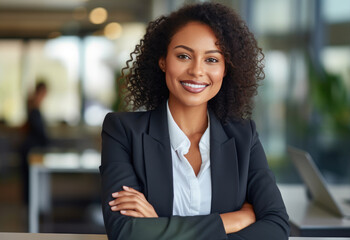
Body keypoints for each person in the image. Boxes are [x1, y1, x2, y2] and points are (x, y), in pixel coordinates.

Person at [100, 3, 290, 240]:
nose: (197, 71)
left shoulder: (244, 137)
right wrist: (233, 220)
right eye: (183, 56)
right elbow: (124, 232)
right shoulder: (123, 131)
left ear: (225, 69)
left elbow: (276, 227)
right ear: (163, 61)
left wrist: (159, 226)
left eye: (212, 59)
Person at [20, 82, 49, 204]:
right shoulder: (33, 108)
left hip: (32, 148)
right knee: (30, 182)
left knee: (31, 182)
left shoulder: (33, 107)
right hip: (31, 150)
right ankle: (32, 213)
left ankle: (33, 211)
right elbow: (39, 132)